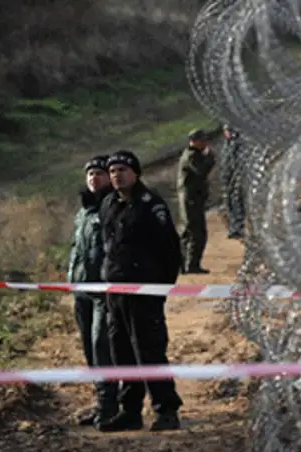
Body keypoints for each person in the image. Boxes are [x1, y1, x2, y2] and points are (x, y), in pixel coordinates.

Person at [97, 150, 184, 432]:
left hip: (144, 291)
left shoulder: (150, 205)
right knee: (120, 350)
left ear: (135, 173)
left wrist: (160, 288)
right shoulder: (109, 203)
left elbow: (170, 250)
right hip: (115, 291)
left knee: (149, 350)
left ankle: (166, 410)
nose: (116, 175)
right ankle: (130, 410)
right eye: (112, 171)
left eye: (122, 169)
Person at [67, 155, 118, 427]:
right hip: (81, 289)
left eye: (99, 173)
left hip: (104, 292)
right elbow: (77, 249)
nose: (93, 178)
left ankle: (111, 406)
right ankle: (101, 402)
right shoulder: (84, 211)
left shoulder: (113, 207)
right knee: (89, 348)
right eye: (90, 174)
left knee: (102, 348)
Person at [177, 129, 216, 273]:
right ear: (195, 141)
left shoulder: (194, 154)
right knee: (196, 233)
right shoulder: (192, 155)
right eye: (202, 140)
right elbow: (201, 171)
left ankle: (185, 265)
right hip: (191, 200)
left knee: (190, 232)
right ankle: (191, 265)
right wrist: (210, 158)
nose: (205, 143)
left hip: (193, 199)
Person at [219, 124, 246, 239]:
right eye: (225, 131)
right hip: (227, 176)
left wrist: (236, 176)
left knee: (236, 200)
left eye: (229, 130)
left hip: (236, 176)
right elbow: (225, 163)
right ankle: (233, 226)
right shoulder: (227, 144)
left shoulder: (238, 144)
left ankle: (239, 226)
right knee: (228, 201)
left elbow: (238, 163)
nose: (227, 133)